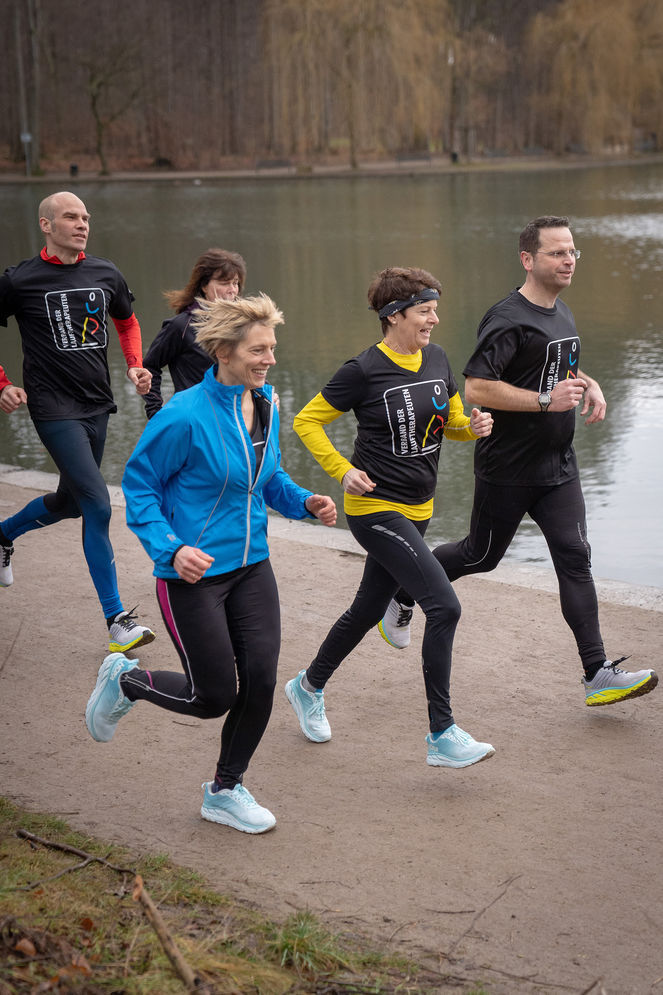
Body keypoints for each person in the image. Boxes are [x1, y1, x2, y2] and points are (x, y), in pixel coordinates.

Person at [84, 294, 337, 833]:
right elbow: (140, 487)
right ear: (222, 350)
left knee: (262, 682)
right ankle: (126, 679)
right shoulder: (183, 415)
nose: (269, 358)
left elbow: (266, 479)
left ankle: (225, 789)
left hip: (252, 568)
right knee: (213, 697)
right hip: (191, 579)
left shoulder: (265, 401)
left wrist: (305, 503)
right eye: (257, 349)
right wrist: (172, 548)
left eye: (272, 347)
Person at [381, 216, 658, 708]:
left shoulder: (562, 312)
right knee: (479, 556)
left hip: (559, 466)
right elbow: (477, 387)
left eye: (572, 251)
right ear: (528, 260)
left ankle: (596, 673)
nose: (568, 260)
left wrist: (587, 383)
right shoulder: (507, 318)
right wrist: (547, 401)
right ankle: (405, 589)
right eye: (557, 253)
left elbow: (554, 369)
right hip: (508, 469)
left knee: (576, 559)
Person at [284, 266, 496, 769]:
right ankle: (441, 734)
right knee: (444, 607)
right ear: (394, 315)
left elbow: (451, 424)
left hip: (419, 509)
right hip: (375, 509)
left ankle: (307, 685)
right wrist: (343, 470)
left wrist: (475, 426)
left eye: (433, 310)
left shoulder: (439, 358)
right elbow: (306, 419)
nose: (434, 319)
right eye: (425, 311)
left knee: (365, 610)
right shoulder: (363, 371)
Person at [0, 191, 155, 654]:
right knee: (99, 505)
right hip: (52, 408)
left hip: (96, 404)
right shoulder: (19, 281)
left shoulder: (105, 271)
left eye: (86, 216)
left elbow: (126, 321)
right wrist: (3, 382)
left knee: (71, 502)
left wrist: (134, 364)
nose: (82, 223)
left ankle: (3, 534)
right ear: (46, 225)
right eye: (71, 217)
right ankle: (116, 620)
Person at [142, 248, 247, 419]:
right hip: (195, 421)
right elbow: (149, 366)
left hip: (234, 419)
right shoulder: (181, 326)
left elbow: (250, 368)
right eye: (224, 283)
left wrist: (265, 395)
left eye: (235, 283)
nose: (232, 290)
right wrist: (155, 412)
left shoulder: (242, 326)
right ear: (204, 285)